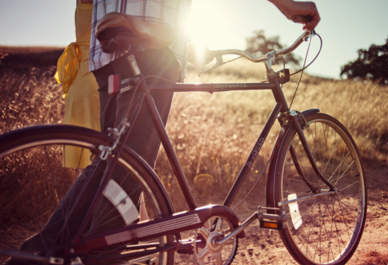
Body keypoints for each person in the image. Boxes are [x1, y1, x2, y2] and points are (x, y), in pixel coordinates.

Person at [6, 1, 320, 264]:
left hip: (105, 53)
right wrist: (293, 6)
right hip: (151, 49)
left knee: (114, 165)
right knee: (125, 169)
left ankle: (72, 253)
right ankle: (35, 257)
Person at [55, 0, 101, 170]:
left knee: (85, 170)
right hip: (96, 86)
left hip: (79, 86)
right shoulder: (106, 5)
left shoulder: (82, 4)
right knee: (104, 165)